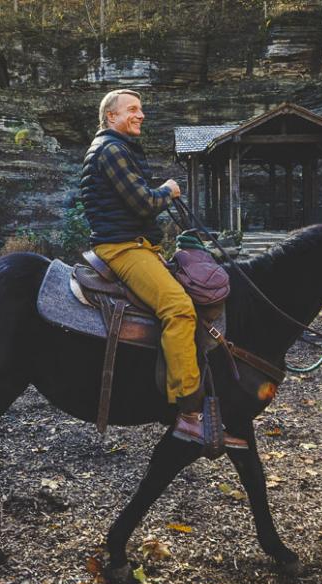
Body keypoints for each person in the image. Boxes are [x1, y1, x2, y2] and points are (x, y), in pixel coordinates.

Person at [79, 89, 246, 449]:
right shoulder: (110, 150)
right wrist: (167, 190)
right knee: (179, 309)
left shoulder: (118, 148)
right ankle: (188, 414)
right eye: (132, 110)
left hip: (138, 244)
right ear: (111, 117)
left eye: (141, 110)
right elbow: (142, 202)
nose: (141, 115)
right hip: (122, 248)